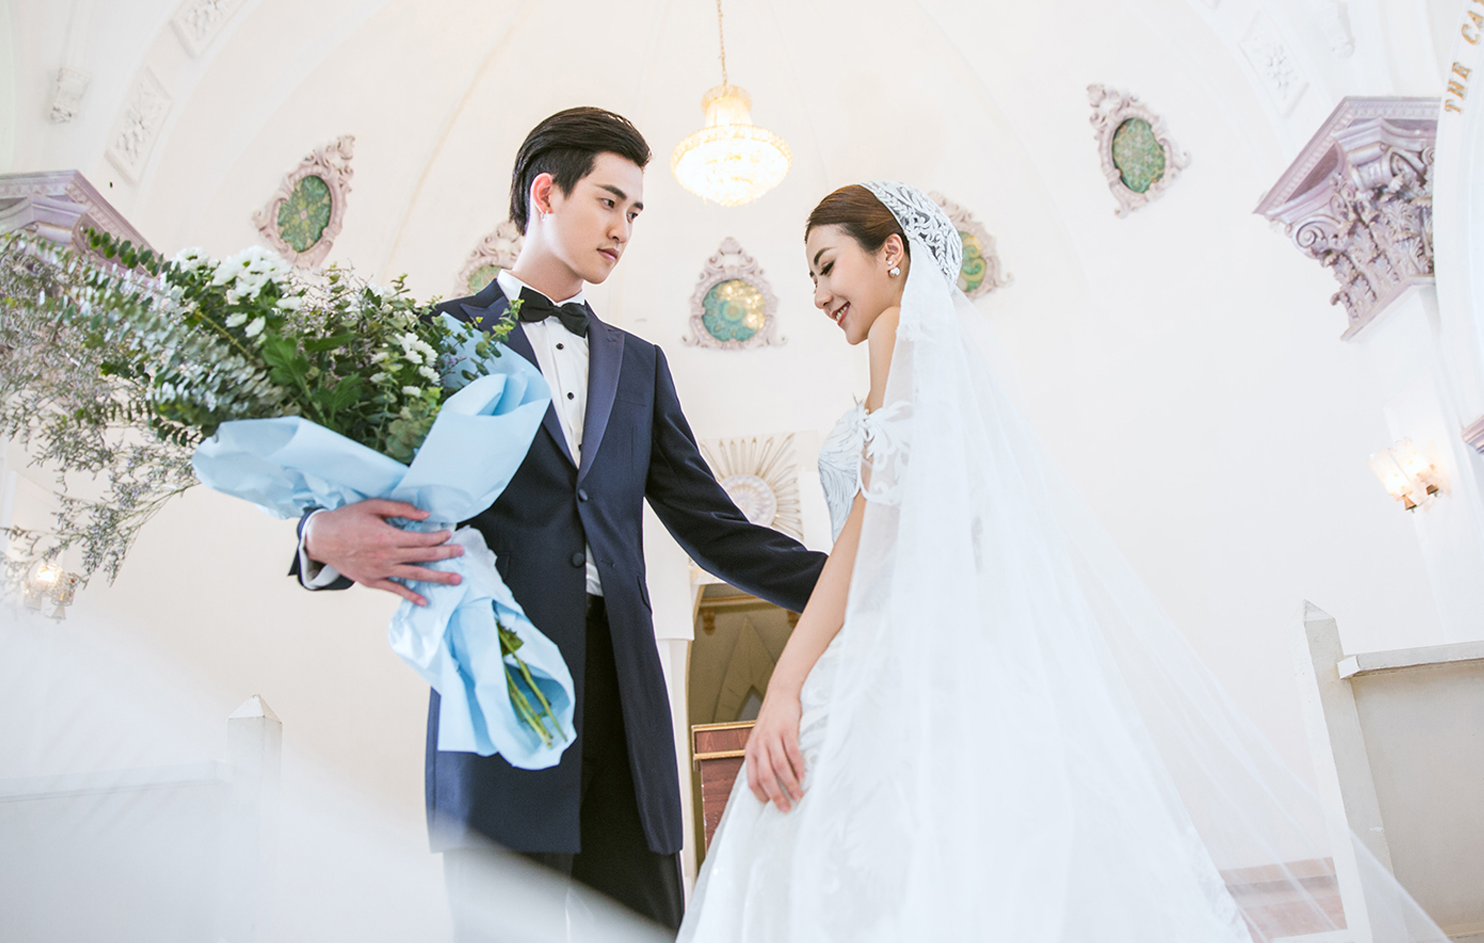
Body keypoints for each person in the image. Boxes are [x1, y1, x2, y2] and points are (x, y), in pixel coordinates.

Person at [678, 182, 1443, 942]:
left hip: (899, 654)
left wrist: (788, 682)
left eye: (826, 266)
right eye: (811, 277)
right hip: (957, 651)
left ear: (892, 254)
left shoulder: (894, 333)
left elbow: (868, 526)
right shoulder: (944, 360)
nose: (818, 294)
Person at [289, 107, 826, 933]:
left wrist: (855, 579)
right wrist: (316, 538)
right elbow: (342, 475)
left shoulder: (642, 366)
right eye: (609, 202)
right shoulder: (437, 337)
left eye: (634, 212)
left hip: (627, 701)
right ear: (546, 193)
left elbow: (716, 529)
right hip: (498, 681)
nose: (623, 229)